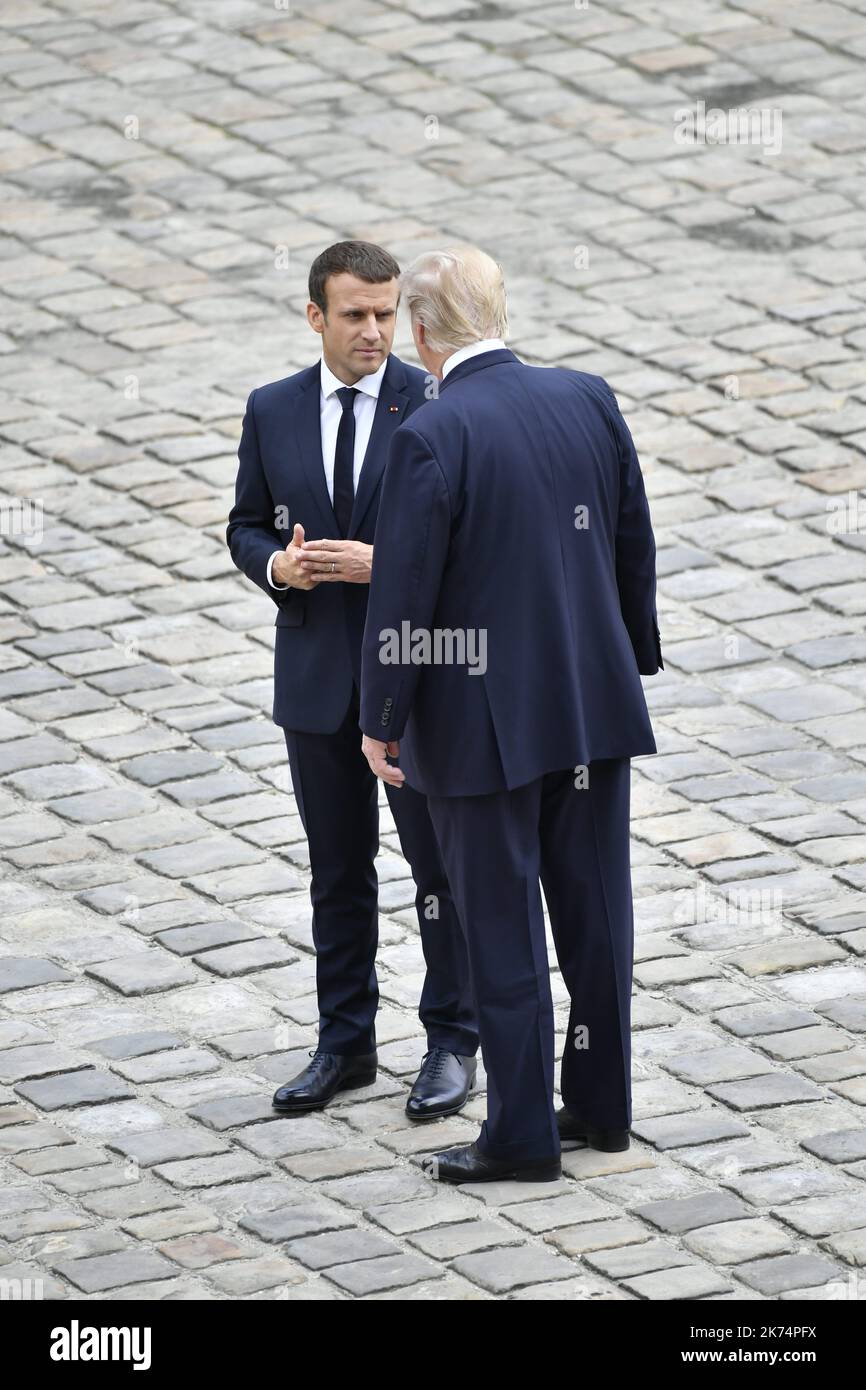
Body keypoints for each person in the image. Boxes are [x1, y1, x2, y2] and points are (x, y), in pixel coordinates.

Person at [360, 247, 663, 1182]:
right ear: (500, 312)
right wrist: (628, 660)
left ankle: (523, 1135)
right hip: (590, 705)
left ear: (419, 332)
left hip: (480, 727)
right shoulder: (587, 395)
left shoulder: (432, 435)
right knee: (596, 915)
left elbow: (405, 596)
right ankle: (603, 1110)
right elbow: (629, 542)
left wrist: (381, 715)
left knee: (502, 927)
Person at [227, 241, 478, 1122]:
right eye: (355, 316)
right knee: (336, 871)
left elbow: (475, 544)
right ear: (315, 318)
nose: (375, 331)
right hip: (313, 682)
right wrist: (276, 571)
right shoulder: (273, 409)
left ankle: (453, 1038)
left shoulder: (438, 404)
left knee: (437, 867)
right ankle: (346, 1043)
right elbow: (246, 524)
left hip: (413, 678)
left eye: (385, 314)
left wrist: (389, 564)